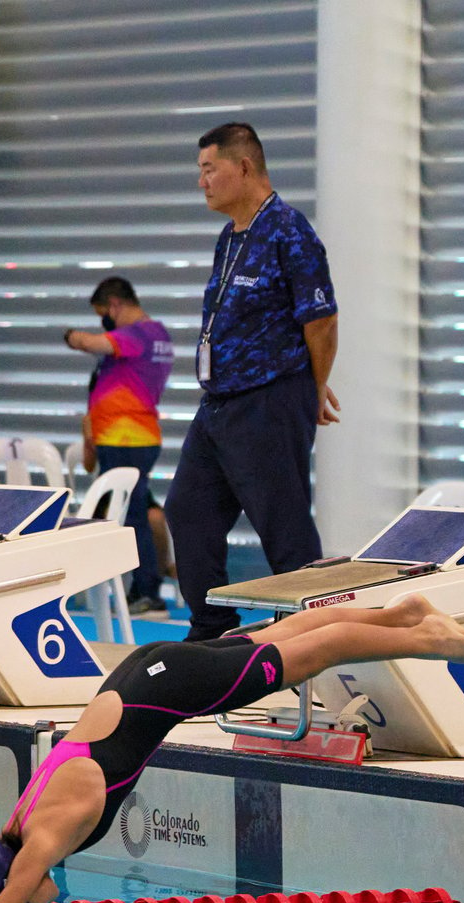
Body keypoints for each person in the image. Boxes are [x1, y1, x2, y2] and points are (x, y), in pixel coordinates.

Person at [0, 596, 464, 903]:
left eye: (20, 901)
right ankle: (399, 613)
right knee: (274, 640)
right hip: (143, 672)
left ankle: (426, 638)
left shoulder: (42, 843)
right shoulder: (17, 828)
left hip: (170, 688)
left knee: (315, 654)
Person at [170, 121, 339, 641]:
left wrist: (312, 387)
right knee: (187, 508)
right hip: (219, 402)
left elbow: (322, 320)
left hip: (269, 400)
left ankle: (309, 639)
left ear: (243, 167)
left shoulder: (290, 229)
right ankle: (212, 628)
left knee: (283, 529)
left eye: (208, 168)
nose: (201, 181)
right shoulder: (231, 237)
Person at [65, 277, 174, 614]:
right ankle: (148, 583)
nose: (104, 323)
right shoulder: (159, 337)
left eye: (103, 314)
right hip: (136, 438)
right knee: (143, 510)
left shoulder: (137, 335)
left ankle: (147, 591)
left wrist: (70, 337)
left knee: (132, 517)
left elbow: (91, 343)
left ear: (114, 305)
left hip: (124, 439)